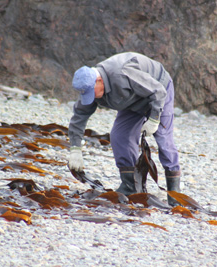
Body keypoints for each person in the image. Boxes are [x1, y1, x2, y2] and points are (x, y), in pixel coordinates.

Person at [68, 52, 181, 206]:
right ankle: (130, 186)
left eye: (91, 92)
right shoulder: (90, 87)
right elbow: (79, 117)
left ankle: (175, 195)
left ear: (99, 80)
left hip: (159, 89)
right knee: (119, 136)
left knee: (163, 139)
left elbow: (158, 91)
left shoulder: (122, 73)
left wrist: (154, 119)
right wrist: (75, 149)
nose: (91, 98)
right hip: (131, 101)